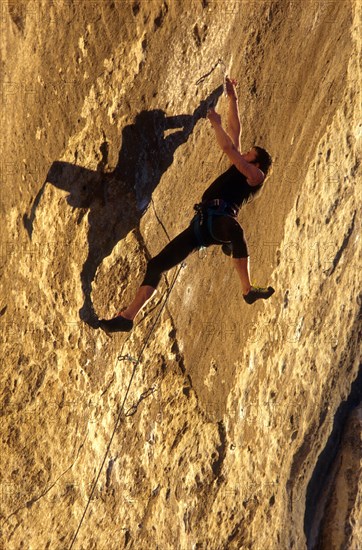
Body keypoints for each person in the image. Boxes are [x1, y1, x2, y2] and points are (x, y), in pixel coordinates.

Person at [99, 77, 274, 334]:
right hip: (202, 225)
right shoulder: (240, 169)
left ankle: (247, 288)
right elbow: (235, 131)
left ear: (256, 163)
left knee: (235, 231)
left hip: (221, 221)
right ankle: (127, 317)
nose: (244, 152)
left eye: (249, 153)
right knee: (157, 264)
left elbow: (228, 147)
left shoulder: (255, 177)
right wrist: (232, 98)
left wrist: (215, 124)